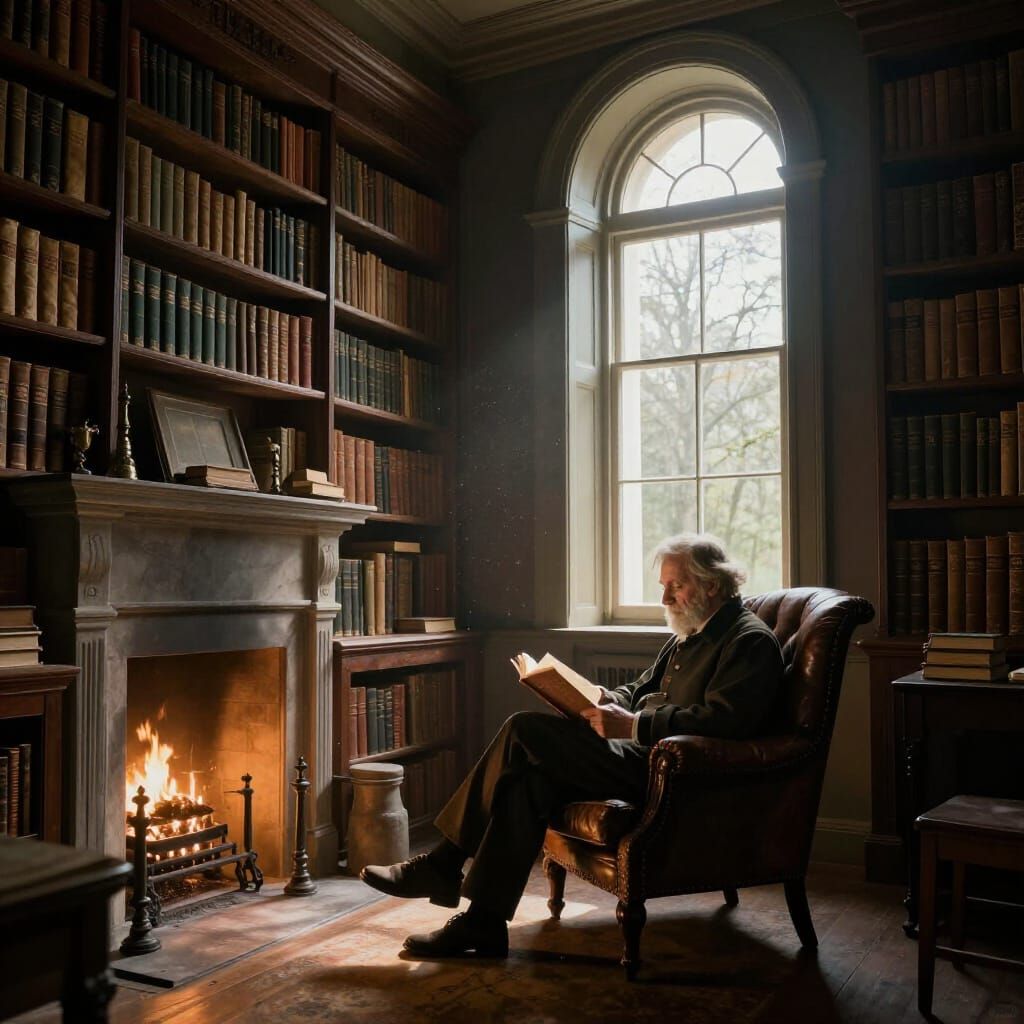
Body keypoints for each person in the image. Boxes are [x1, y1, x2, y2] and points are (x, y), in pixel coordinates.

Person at [361, 532, 784, 958]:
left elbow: (726, 722)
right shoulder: (691, 631)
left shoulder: (748, 640)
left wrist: (634, 725)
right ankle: (483, 924)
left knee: (524, 729)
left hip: (672, 773)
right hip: (641, 754)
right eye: (664, 585)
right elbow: (640, 688)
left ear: (712, 584)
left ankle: (443, 864)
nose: (665, 598)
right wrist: (603, 699)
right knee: (527, 780)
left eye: (676, 585)